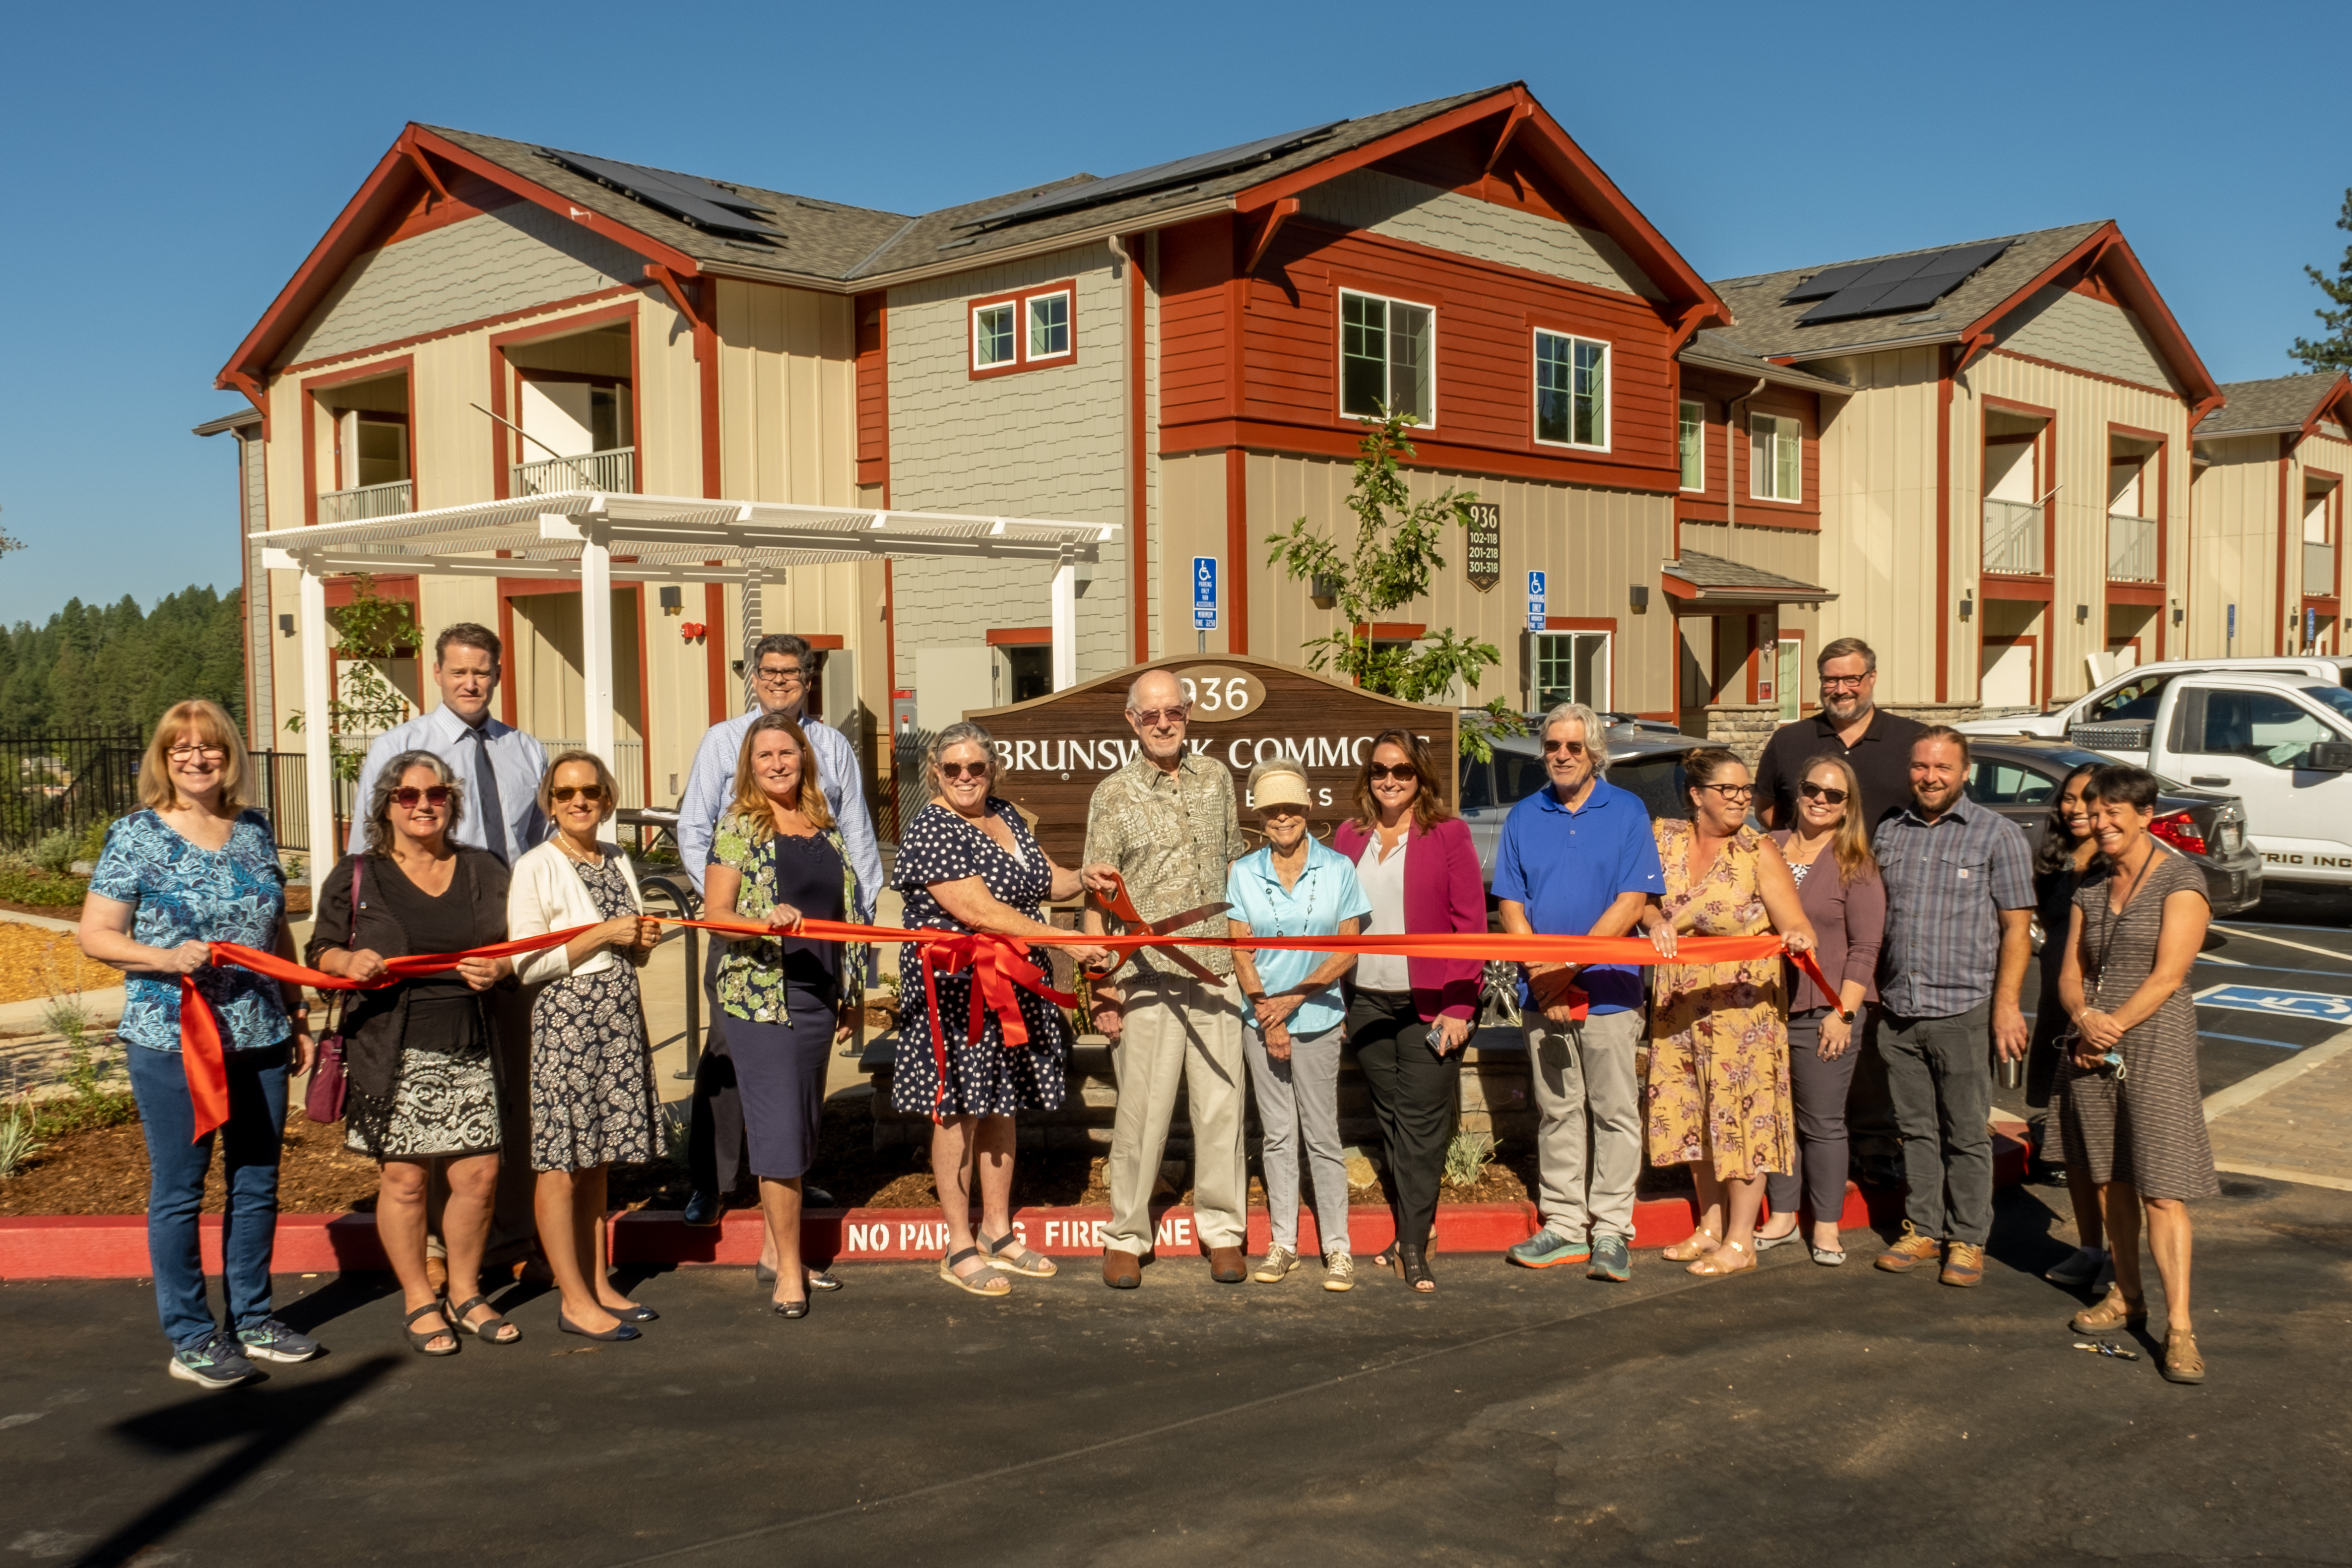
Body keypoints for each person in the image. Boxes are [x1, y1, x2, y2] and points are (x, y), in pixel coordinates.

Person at [80, 700, 323, 1388]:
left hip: (259, 1032)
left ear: (230, 756)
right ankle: (190, 1335)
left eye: (210, 747)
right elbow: (96, 934)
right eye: (181, 748)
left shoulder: (254, 829)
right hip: (172, 1039)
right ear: (163, 758)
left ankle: (252, 1318)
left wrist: (297, 1010)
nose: (196, 758)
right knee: (181, 1191)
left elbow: (276, 928)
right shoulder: (135, 836)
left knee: (256, 1184)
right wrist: (163, 959)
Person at [344, 622, 548, 1283]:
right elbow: (363, 852)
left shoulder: (525, 751)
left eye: (482, 671)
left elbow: (540, 849)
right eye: (459, 670)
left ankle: (507, 1236)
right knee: (426, 1098)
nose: (470, 682)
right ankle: (433, 1248)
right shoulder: (400, 748)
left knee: (506, 1092)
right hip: (426, 948)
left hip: (505, 946)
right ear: (436, 672)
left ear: (496, 674)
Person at [310, 752, 521, 1354]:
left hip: (474, 1043)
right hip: (392, 1048)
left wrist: (500, 965)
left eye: (436, 794)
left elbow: (517, 943)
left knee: (478, 1176)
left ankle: (465, 1291)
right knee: (403, 1181)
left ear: (451, 803)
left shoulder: (483, 868)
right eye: (408, 795)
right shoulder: (358, 874)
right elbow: (319, 949)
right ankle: (418, 1299)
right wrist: (346, 962)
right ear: (387, 805)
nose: (423, 805)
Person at [891, 721, 1107, 1298]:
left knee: (1002, 1109)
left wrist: (1082, 878)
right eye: (953, 768)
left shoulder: (1006, 814)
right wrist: (1062, 941)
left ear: (993, 770)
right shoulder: (932, 827)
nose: (965, 777)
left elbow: (1041, 879)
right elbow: (980, 911)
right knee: (958, 1114)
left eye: (976, 768)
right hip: (956, 994)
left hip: (1010, 987)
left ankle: (998, 1231)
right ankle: (959, 1243)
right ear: (935, 771)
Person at [677, 633, 881, 1233]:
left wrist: (860, 931)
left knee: (802, 1067)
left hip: (818, 936)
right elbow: (697, 829)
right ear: (754, 676)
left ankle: (788, 1175)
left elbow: (856, 834)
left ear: (809, 677)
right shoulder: (723, 739)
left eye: (792, 671)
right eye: (769, 671)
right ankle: (711, 1184)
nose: (780, 680)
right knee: (725, 1060)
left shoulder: (833, 745)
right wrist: (735, 902)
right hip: (746, 931)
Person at [1079, 670, 1251, 1290]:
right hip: (1145, 976)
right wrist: (1100, 987)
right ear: (1131, 721)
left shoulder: (1217, 781)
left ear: (1189, 713)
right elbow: (1097, 894)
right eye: (1149, 715)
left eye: (1172, 712)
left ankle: (1224, 1231)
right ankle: (1127, 1236)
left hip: (1217, 973)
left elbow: (1236, 868)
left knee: (1221, 1108)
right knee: (1142, 1114)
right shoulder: (1113, 794)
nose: (1162, 723)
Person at [2056, 765, 2218, 1384]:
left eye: (2114, 814)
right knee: (2110, 1178)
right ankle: (2127, 1295)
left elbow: (2168, 976)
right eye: (2093, 813)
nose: (2101, 824)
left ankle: (2179, 1328)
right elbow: (2069, 969)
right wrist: (2082, 1016)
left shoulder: (2181, 880)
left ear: (2146, 815)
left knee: (2162, 1189)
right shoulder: (2090, 888)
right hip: (2092, 1044)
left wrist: (2109, 1026)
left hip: (2154, 1045)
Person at [1494, 702, 1664, 1283]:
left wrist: (1562, 968)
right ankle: (1565, 1225)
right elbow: (1511, 905)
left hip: (1610, 993)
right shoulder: (1523, 815)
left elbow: (1631, 904)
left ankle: (1612, 1229)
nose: (1562, 755)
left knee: (1615, 1111)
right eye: (1552, 746)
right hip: (1543, 993)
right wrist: (1543, 976)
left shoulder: (1628, 811)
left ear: (1595, 753)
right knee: (1558, 1110)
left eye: (1573, 747)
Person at [705, 713, 868, 1317]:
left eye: (787, 753)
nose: (777, 763)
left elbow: (844, 917)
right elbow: (717, 912)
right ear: (749, 765)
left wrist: (849, 994)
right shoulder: (739, 826)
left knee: (802, 1124)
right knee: (778, 1134)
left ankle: (777, 1252)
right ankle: (789, 1274)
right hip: (760, 1000)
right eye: (764, 755)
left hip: (817, 997)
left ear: (805, 757)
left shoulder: (824, 825)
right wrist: (762, 918)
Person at [1640, 748, 1818, 1279]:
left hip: (1742, 1013)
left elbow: (1796, 923)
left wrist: (1796, 937)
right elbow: (1645, 898)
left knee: (1742, 1123)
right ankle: (1711, 1227)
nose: (1742, 799)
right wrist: (1654, 921)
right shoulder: (1664, 837)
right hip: (1680, 1005)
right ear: (1697, 795)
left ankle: (1742, 1240)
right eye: (1730, 790)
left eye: (1746, 790)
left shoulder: (1758, 849)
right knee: (1696, 1119)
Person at [1870, 726, 2034, 1287]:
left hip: (1963, 1009)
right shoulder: (1891, 831)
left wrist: (2007, 1005)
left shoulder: (1998, 836)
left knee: (1966, 1131)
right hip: (1899, 1009)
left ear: (1966, 772)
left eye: (1942, 768)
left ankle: (1968, 1239)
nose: (1930, 777)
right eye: (1921, 767)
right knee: (1914, 1129)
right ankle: (1923, 1228)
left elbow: (2017, 928)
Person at [508, 750, 663, 1340]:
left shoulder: (618, 857)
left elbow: (629, 946)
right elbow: (524, 962)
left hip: (619, 1019)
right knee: (561, 1164)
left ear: (607, 798)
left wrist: (641, 940)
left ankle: (599, 1283)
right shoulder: (536, 866)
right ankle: (573, 1298)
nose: (580, 801)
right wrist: (604, 933)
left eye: (591, 791)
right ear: (550, 802)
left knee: (597, 1160)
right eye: (567, 792)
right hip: (568, 1023)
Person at [1332, 729, 1485, 1293]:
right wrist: (1335, 997)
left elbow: (1471, 925)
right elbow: (1333, 923)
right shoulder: (1350, 838)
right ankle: (1412, 1231)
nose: (1389, 780)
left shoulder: (1448, 834)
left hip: (1431, 1006)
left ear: (1422, 777)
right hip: (1367, 1000)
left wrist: (1460, 1004)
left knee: (1421, 1127)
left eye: (1401, 771)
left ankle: (1415, 1248)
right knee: (1393, 1122)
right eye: (1379, 770)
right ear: (1367, 777)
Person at [1227, 758, 1372, 1291]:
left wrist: (1291, 1002)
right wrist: (1269, 1013)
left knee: (1323, 1133)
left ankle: (1338, 1247)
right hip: (1261, 1018)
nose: (1282, 817)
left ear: (1308, 808)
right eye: (1271, 810)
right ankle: (1283, 1243)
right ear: (1260, 817)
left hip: (1319, 1017)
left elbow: (1347, 947)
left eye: (1290, 806)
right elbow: (1242, 953)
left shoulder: (1338, 869)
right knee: (1277, 1135)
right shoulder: (1243, 872)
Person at [1758, 753, 1884, 1265]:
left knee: (1823, 1122)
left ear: (1847, 805)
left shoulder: (1856, 862)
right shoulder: (1767, 849)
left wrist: (1845, 1013)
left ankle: (1827, 1226)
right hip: (1764, 1007)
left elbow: (1866, 947)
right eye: (1813, 789)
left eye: (1834, 795)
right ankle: (1784, 1215)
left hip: (1824, 1010)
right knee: (1778, 1119)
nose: (1820, 800)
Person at [2028, 763, 2112, 1291]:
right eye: (2069, 798)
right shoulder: (2057, 855)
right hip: (2061, 996)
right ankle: (2090, 1247)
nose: (2075, 808)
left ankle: (2116, 1260)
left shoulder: (2119, 860)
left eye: (2089, 799)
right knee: (2069, 1123)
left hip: (2103, 1008)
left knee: (2105, 1138)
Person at [1753, 638, 1928, 836]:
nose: (1841, 690)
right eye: (1830, 681)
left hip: (1885, 866)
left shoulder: (1914, 740)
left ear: (1872, 677)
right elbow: (1766, 810)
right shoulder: (1788, 741)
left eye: (1851, 679)